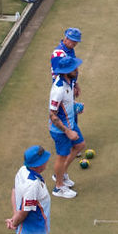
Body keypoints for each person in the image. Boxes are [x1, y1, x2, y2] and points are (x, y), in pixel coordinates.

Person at [49, 55, 85, 198]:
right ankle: (58, 188)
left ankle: (60, 174)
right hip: (61, 129)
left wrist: (75, 107)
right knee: (62, 156)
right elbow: (52, 115)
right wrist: (67, 132)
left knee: (80, 145)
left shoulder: (70, 81)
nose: (76, 69)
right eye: (73, 68)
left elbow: (67, 103)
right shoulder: (58, 89)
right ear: (66, 71)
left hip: (70, 123)